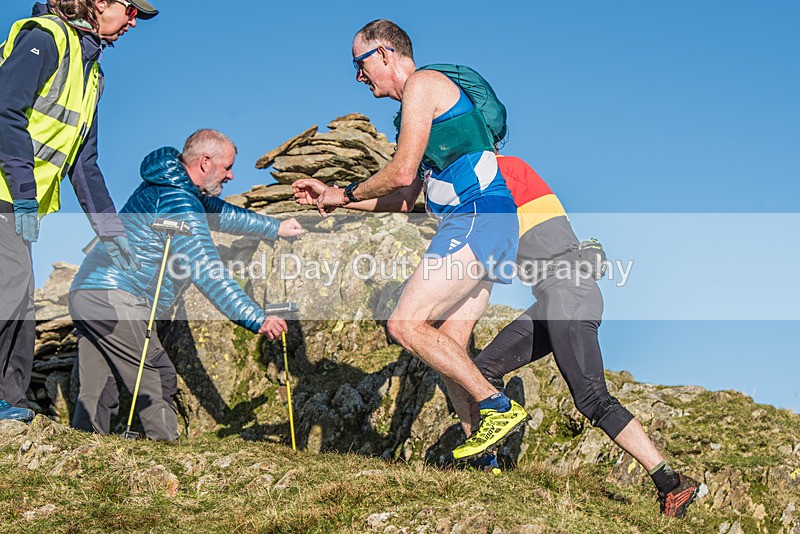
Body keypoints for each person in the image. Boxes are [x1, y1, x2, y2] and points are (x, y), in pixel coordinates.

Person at [293, 19, 528, 460]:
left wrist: (345, 192)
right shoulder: (414, 108)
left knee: (404, 324)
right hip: (491, 221)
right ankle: (484, 457)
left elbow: (400, 172)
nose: (359, 77)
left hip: (475, 216)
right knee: (449, 344)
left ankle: (496, 404)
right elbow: (403, 199)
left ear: (384, 53)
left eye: (360, 64)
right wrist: (334, 199)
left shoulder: (423, 84)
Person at [451, 154, 699, 518]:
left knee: (593, 399)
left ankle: (671, 483)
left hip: (569, 292)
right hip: (553, 298)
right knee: (482, 370)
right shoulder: (491, 181)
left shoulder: (502, 169)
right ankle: (487, 469)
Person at [69, 130, 304, 441]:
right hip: (115, 295)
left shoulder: (171, 187)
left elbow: (223, 215)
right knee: (156, 375)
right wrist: (256, 318)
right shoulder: (178, 200)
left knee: (98, 384)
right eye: (227, 167)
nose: (231, 175)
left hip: (88, 290)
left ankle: (84, 451)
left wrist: (275, 227)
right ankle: (164, 452)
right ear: (205, 162)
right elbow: (206, 269)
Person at [0, 0, 159, 422]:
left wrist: (112, 231)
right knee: (10, 291)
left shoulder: (92, 75)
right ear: (100, 2)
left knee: (20, 299)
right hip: (9, 193)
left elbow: (84, 164)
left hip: (17, 201)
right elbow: (4, 110)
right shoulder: (45, 38)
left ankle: (11, 404)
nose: (134, 22)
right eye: (131, 10)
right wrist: (24, 191)